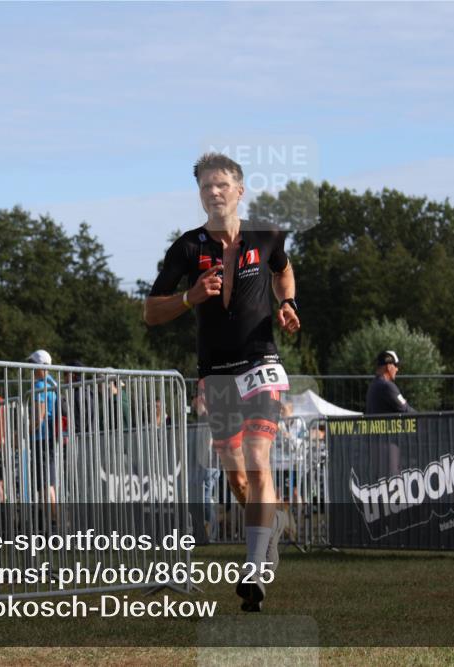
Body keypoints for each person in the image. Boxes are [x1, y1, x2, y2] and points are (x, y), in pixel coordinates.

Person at [144, 152, 299, 612]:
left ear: (239, 191)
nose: (213, 192)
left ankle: (253, 570)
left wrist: (288, 304)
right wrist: (189, 297)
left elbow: (283, 271)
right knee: (237, 477)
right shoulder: (187, 248)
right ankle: (273, 526)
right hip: (216, 372)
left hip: (261, 362)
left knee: (258, 459)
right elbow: (150, 312)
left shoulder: (266, 235)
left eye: (221, 185)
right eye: (205, 186)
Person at [27, 349, 59, 507]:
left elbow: (38, 417)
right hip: (50, 437)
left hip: (41, 438)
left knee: (45, 484)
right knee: (49, 482)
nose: (30, 368)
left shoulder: (39, 385)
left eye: (32, 364)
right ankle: (53, 519)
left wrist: (24, 433)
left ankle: (54, 519)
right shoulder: (52, 382)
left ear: (40, 366)